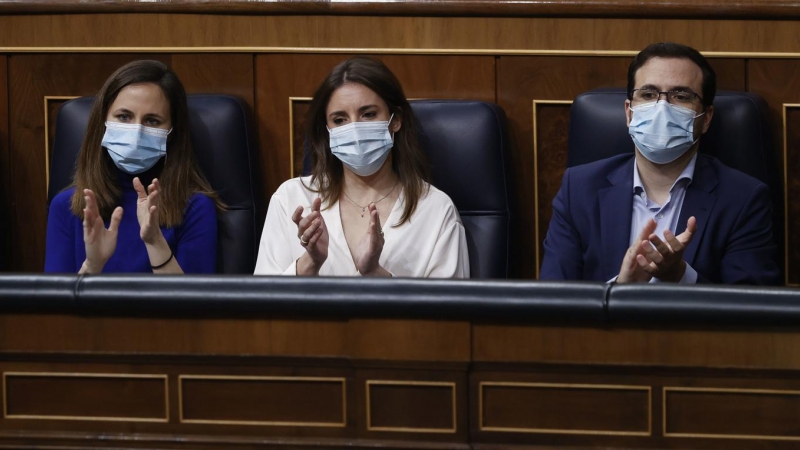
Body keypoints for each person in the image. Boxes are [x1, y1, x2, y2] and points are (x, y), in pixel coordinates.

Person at [540, 42, 781, 285]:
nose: (662, 108)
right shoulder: (579, 189)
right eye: (648, 94)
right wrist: (619, 290)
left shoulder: (743, 198)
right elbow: (552, 302)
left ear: (706, 118)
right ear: (629, 112)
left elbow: (751, 313)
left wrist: (680, 276)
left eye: (681, 96)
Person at [254, 57, 469, 277]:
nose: (354, 130)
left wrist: (374, 273)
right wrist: (311, 262)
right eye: (339, 120)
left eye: (368, 114)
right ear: (327, 130)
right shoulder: (291, 198)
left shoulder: (436, 210)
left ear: (395, 120)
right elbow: (261, 306)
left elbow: (448, 310)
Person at [45, 60, 222, 274]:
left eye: (152, 121)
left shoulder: (195, 208)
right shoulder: (66, 206)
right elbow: (57, 306)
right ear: (102, 123)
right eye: (124, 117)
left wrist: (155, 243)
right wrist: (93, 266)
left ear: (172, 133)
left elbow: (194, 304)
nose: (136, 132)